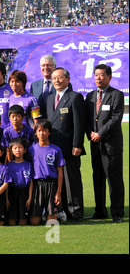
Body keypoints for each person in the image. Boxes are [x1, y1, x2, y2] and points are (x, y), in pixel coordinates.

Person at [85, 64, 125, 223]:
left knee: (114, 180)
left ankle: (117, 213)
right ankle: (100, 211)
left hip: (110, 146)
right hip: (95, 146)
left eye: (101, 75)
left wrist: (100, 134)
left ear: (109, 77)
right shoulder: (89, 96)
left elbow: (116, 118)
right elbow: (87, 119)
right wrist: (90, 134)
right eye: (96, 75)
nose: (98, 78)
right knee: (98, 179)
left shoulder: (117, 95)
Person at [46, 67, 85, 222]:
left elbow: (79, 124)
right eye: (54, 78)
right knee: (58, 181)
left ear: (68, 79)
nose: (57, 80)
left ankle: (75, 211)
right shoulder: (49, 98)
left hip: (69, 148)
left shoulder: (74, 97)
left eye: (60, 77)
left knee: (72, 181)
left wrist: (77, 145)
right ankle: (62, 211)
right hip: (54, 148)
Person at [28, 119, 64, 226]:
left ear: (49, 132)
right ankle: (42, 213)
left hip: (51, 184)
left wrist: (58, 193)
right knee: (34, 222)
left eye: (44, 130)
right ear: (36, 133)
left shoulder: (56, 150)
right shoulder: (31, 149)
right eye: (39, 130)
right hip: (37, 184)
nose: (41, 133)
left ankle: (55, 212)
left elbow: (60, 172)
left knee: (52, 222)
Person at [6, 138, 33, 226]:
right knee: (12, 219)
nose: (18, 150)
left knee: (23, 218)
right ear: (11, 151)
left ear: (25, 150)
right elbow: (6, 184)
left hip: (24, 193)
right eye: (15, 148)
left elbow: (31, 182)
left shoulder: (28, 165)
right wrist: (6, 198)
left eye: (20, 148)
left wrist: (30, 197)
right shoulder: (9, 165)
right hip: (12, 192)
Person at [30, 55, 57, 119]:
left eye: (48, 65)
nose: (45, 67)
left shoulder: (61, 84)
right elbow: (32, 107)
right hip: (39, 125)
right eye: (43, 65)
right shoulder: (34, 85)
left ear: (54, 67)